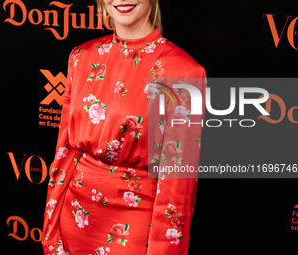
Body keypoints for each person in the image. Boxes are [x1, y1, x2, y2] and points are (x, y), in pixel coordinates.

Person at [42, 0, 206, 254]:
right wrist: (51, 233)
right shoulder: (81, 57)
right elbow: (64, 155)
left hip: (136, 231)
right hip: (72, 224)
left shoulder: (183, 72)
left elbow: (177, 187)